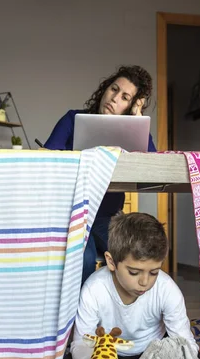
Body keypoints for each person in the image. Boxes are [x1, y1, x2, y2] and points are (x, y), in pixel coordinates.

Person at [59, 212, 200, 359]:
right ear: (111, 261)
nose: (144, 282)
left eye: (154, 272)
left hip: (152, 356)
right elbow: (82, 343)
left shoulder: (167, 289)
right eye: (134, 272)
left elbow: (184, 340)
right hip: (107, 355)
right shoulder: (94, 289)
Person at [44, 65, 156, 283]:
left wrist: (137, 119)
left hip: (108, 217)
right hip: (71, 215)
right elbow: (47, 162)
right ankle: (78, 316)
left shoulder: (132, 130)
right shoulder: (72, 119)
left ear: (132, 104)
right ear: (105, 88)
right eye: (114, 89)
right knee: (84, 261)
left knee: (132, 257)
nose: (114, 98)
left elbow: (151, 168)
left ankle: (116, 311)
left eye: (125, 97)